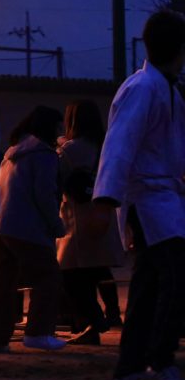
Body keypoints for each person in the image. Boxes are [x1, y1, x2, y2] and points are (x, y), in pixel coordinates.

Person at [94, 9, 185, 380]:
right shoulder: (144, 88)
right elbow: (120, 146)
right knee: (177, 279)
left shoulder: (163, 87)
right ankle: (159, 360)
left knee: (149, 286)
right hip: (147, 199)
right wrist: (110, 196)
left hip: (161, 198)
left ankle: (130, 368)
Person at [0, 106, 67, 352]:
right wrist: (56, 225)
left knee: (3, 286)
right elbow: (44, 195)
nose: (61, 133)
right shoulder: (44, 155)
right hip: (27, 228)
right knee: (48, 277)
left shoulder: (12, 154)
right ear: (48, 127)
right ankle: (39, 333)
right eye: (59, 127)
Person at [57, 99, 125, 343]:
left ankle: (91, 323)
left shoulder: (68, 150)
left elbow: (57, 178)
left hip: (77, 219)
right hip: (103, 214)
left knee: (71, 274)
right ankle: (111, 315)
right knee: (99, 268)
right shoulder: (106, 146)